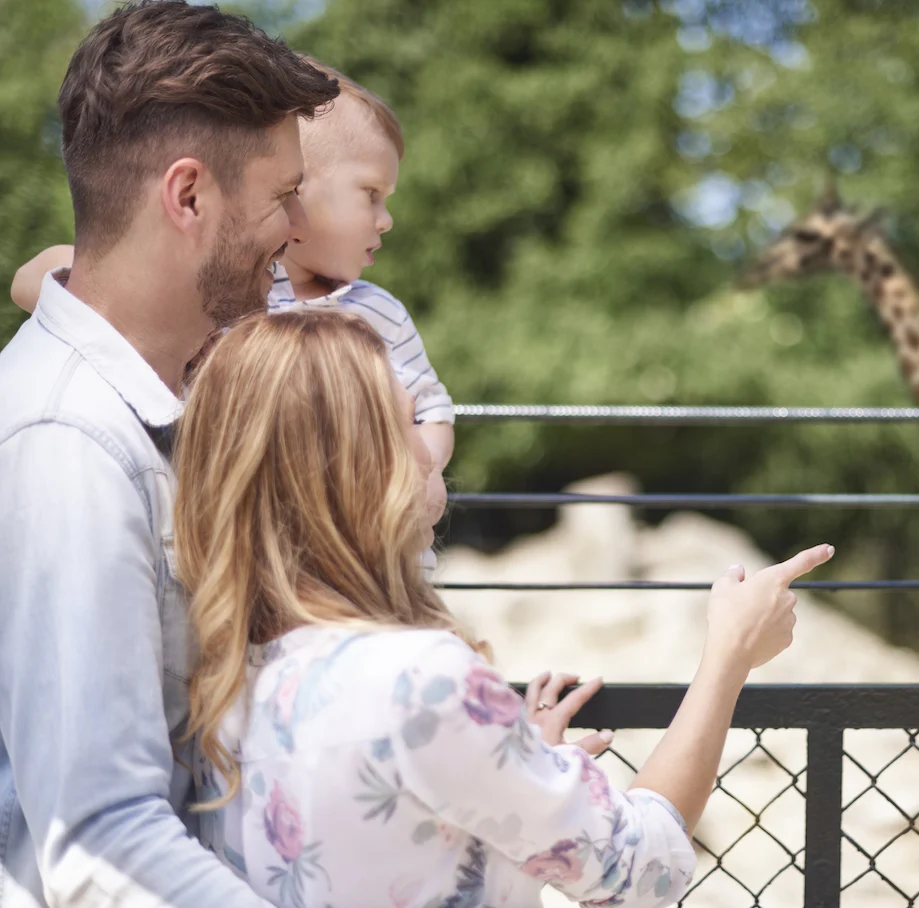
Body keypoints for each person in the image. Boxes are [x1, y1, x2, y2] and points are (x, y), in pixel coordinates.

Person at [172, 309, 834, 907]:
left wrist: (510, 763)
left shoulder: (219, 672)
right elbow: (643, 867)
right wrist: (730, 653)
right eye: (406, 422)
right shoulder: (422, 678)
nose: (432, 447)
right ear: (353, 465)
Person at [0, 3, 339, 906]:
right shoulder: (70, 446)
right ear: (187, 197)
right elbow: (98, 841)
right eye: (282, 195)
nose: (301, 227)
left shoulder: (154, 409)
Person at [9, 61, 455, 546]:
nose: (386, 219)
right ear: (298, 188)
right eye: (371, 194)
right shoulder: (233, 295)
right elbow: (33, 277)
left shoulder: (378, 312)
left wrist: (424, 473)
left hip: (361, 546)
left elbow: (433, 409)